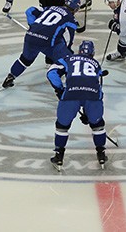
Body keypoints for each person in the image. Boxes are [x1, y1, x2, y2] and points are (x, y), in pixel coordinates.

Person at [46, 39, 108, 171]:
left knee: (62, 127)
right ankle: (101, 153)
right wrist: (88, 113)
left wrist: (59, 89)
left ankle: (59, 156)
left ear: (79, 50)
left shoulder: (68, 58)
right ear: (92, 53)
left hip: (71, 96)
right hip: (93, 96)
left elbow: (51, 72)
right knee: (98, 125)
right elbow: (98, 87)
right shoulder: (96, 64)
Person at [1, 0, 81, 88]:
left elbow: (30, 10)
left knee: (25, 60)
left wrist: (32, 26)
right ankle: (71, 85)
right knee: (67, 59)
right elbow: (68, 40)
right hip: (47, 42)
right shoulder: (71, 20)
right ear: (76, 9)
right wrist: (67, 52)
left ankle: (10, 77)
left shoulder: (51, 7)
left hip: (30, 36)